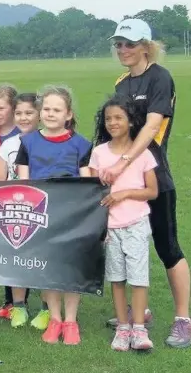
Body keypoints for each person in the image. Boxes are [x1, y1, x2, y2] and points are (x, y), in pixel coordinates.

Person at [101, 18, 190, 348]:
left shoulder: (160, 78)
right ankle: (140, 312)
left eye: (130, 43)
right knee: (125, 246)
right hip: (124, 183)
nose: (123, 50)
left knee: (167, 247)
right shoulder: (122, 84)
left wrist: (125, 161)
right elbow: (112, 130)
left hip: (155, 178)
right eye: (119, 44)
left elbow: (152, 127)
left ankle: (183, 320)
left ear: (146, 46)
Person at [15, 85, 92, 345]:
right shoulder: (27, 142)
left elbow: (88, 186)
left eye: (56, 109)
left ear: (68, 114)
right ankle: (55, 318)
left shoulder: (81, 145)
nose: (50, 113)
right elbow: (24, 184)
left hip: (71, 217)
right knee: (49, 269)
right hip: (40, 215)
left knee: (69, 270)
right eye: (46, 108)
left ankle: (71, 321)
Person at [90, 94, 158, 351]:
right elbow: (95, 193)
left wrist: (125, 193)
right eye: (108, 118)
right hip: (111, 228)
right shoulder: (98, 153)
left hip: (137, 224)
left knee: (138, 278)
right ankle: (122, 327)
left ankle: (139, 329)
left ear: (131, 121)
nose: (112, 122)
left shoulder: (142, 154)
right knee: (116, 279)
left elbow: (152, 191)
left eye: (119, 117)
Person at [0, 92, 48, 329]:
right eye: (18, 113)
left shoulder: (48, 141)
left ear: (39, 114)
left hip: (42, 210)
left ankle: (47, 309)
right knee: (17, 260)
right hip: (14, 211)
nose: (23, 118)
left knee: (45, 261)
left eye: (29, 113)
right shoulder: (9, 145)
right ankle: (19, 306)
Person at [0, 83, 23, 320]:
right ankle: (9, 298)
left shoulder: (21, 134)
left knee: (18, 247)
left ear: (13, 108)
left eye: (1, 109)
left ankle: (16, 301)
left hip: (18, 199)